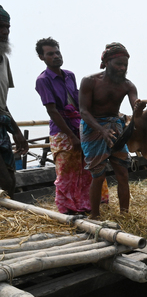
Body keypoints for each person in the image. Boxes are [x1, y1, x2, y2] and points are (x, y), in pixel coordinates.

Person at [35, 37, 108, 214]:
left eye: (57, 52)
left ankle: (89, 205)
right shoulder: (43, 80)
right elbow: (53, 111)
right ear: (42, 57)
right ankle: (68, 210)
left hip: (79, 125)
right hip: (62, 131)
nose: (56, 56)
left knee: (87, 168)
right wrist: (72, 137)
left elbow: (78, 104)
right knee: (66, 172)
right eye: (50, 54)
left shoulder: (70, 75)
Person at [79, 42, 143, 219]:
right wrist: (101, 130)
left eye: (125, 65)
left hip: (115, 128)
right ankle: (95, 215)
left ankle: (125, 216)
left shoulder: (128, 86)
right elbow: (83, 111)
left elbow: (135, 105)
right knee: (98, 175)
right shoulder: (89, 81)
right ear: (106, 62)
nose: (122, 68)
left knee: (122, 172)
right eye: (118, 64)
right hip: (93, 128)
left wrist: (138, 109)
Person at [0, 5, 28, 198]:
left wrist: (16, 129)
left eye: (7, 27)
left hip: (1, 128)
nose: (5, 32)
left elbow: (3, 102)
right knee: (5, 182)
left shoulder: (4, 59)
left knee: (10, 179)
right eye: (0, 27)